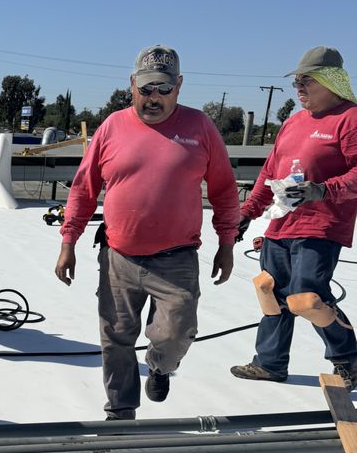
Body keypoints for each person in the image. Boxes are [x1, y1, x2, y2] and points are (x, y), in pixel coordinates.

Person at [55, 45, 240, 419]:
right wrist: (68, 241)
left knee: (175, 334)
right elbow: (83, 188)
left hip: (176, 259)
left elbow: (223, 190)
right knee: (116, 337)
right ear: (132, 85)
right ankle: (120, 411)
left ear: (179, 86)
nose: (153, 97)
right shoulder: (112, 126)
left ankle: (159, 366)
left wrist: (226, 243)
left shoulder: (200, 127)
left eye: (163, 88)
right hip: (118, 257)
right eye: (145, 88)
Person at [231, 46, 357, 387]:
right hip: (280, 223)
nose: (299, 88)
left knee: (306, 297)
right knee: (270, 292)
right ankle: (270, 363)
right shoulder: (294, 122)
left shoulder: (350, 119)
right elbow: (269, 173)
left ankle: (349, 360)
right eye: (296, 82)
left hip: (320, 226)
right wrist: (246, 212)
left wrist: (322, 190)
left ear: (331, 81)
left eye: (306, 81)